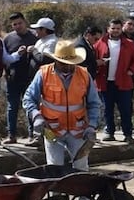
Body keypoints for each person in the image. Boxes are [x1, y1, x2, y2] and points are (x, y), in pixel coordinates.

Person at [23, 40, 102, 171]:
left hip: (78, 130)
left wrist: (92, 125)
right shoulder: (43, 74)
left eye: (70, 64)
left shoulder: (84, 75)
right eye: (63, 63)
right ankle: (57, 192)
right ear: (56, 61)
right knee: (54, 168)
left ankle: (80, 190)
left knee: (81, 167)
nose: (67, 67)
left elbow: (94, 103)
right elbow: (29, 98)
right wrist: (36, 116)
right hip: (52, 130)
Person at [93, 19, 134, 144]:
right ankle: (109, 131)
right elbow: (93, 59)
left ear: (121, 29)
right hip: (105, 83)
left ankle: (128, 134)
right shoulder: (100, 43)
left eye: (118, 28)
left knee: (125, 109)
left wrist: (132, 70)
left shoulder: (129, 44)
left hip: (123, 83)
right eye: (113, 28)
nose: (115, 31)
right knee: (107, 109)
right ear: (108, 29)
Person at [1, 12, 36, 144]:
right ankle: (11, 135)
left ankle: (33, 135)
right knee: (12, 107)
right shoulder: (8, 39)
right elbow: (4, 59)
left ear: (25, 22)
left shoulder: (34, 36)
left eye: (19, 23)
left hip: (31, 78)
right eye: (14, 24)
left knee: (31, 107)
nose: (17, 26)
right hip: (13, 78)